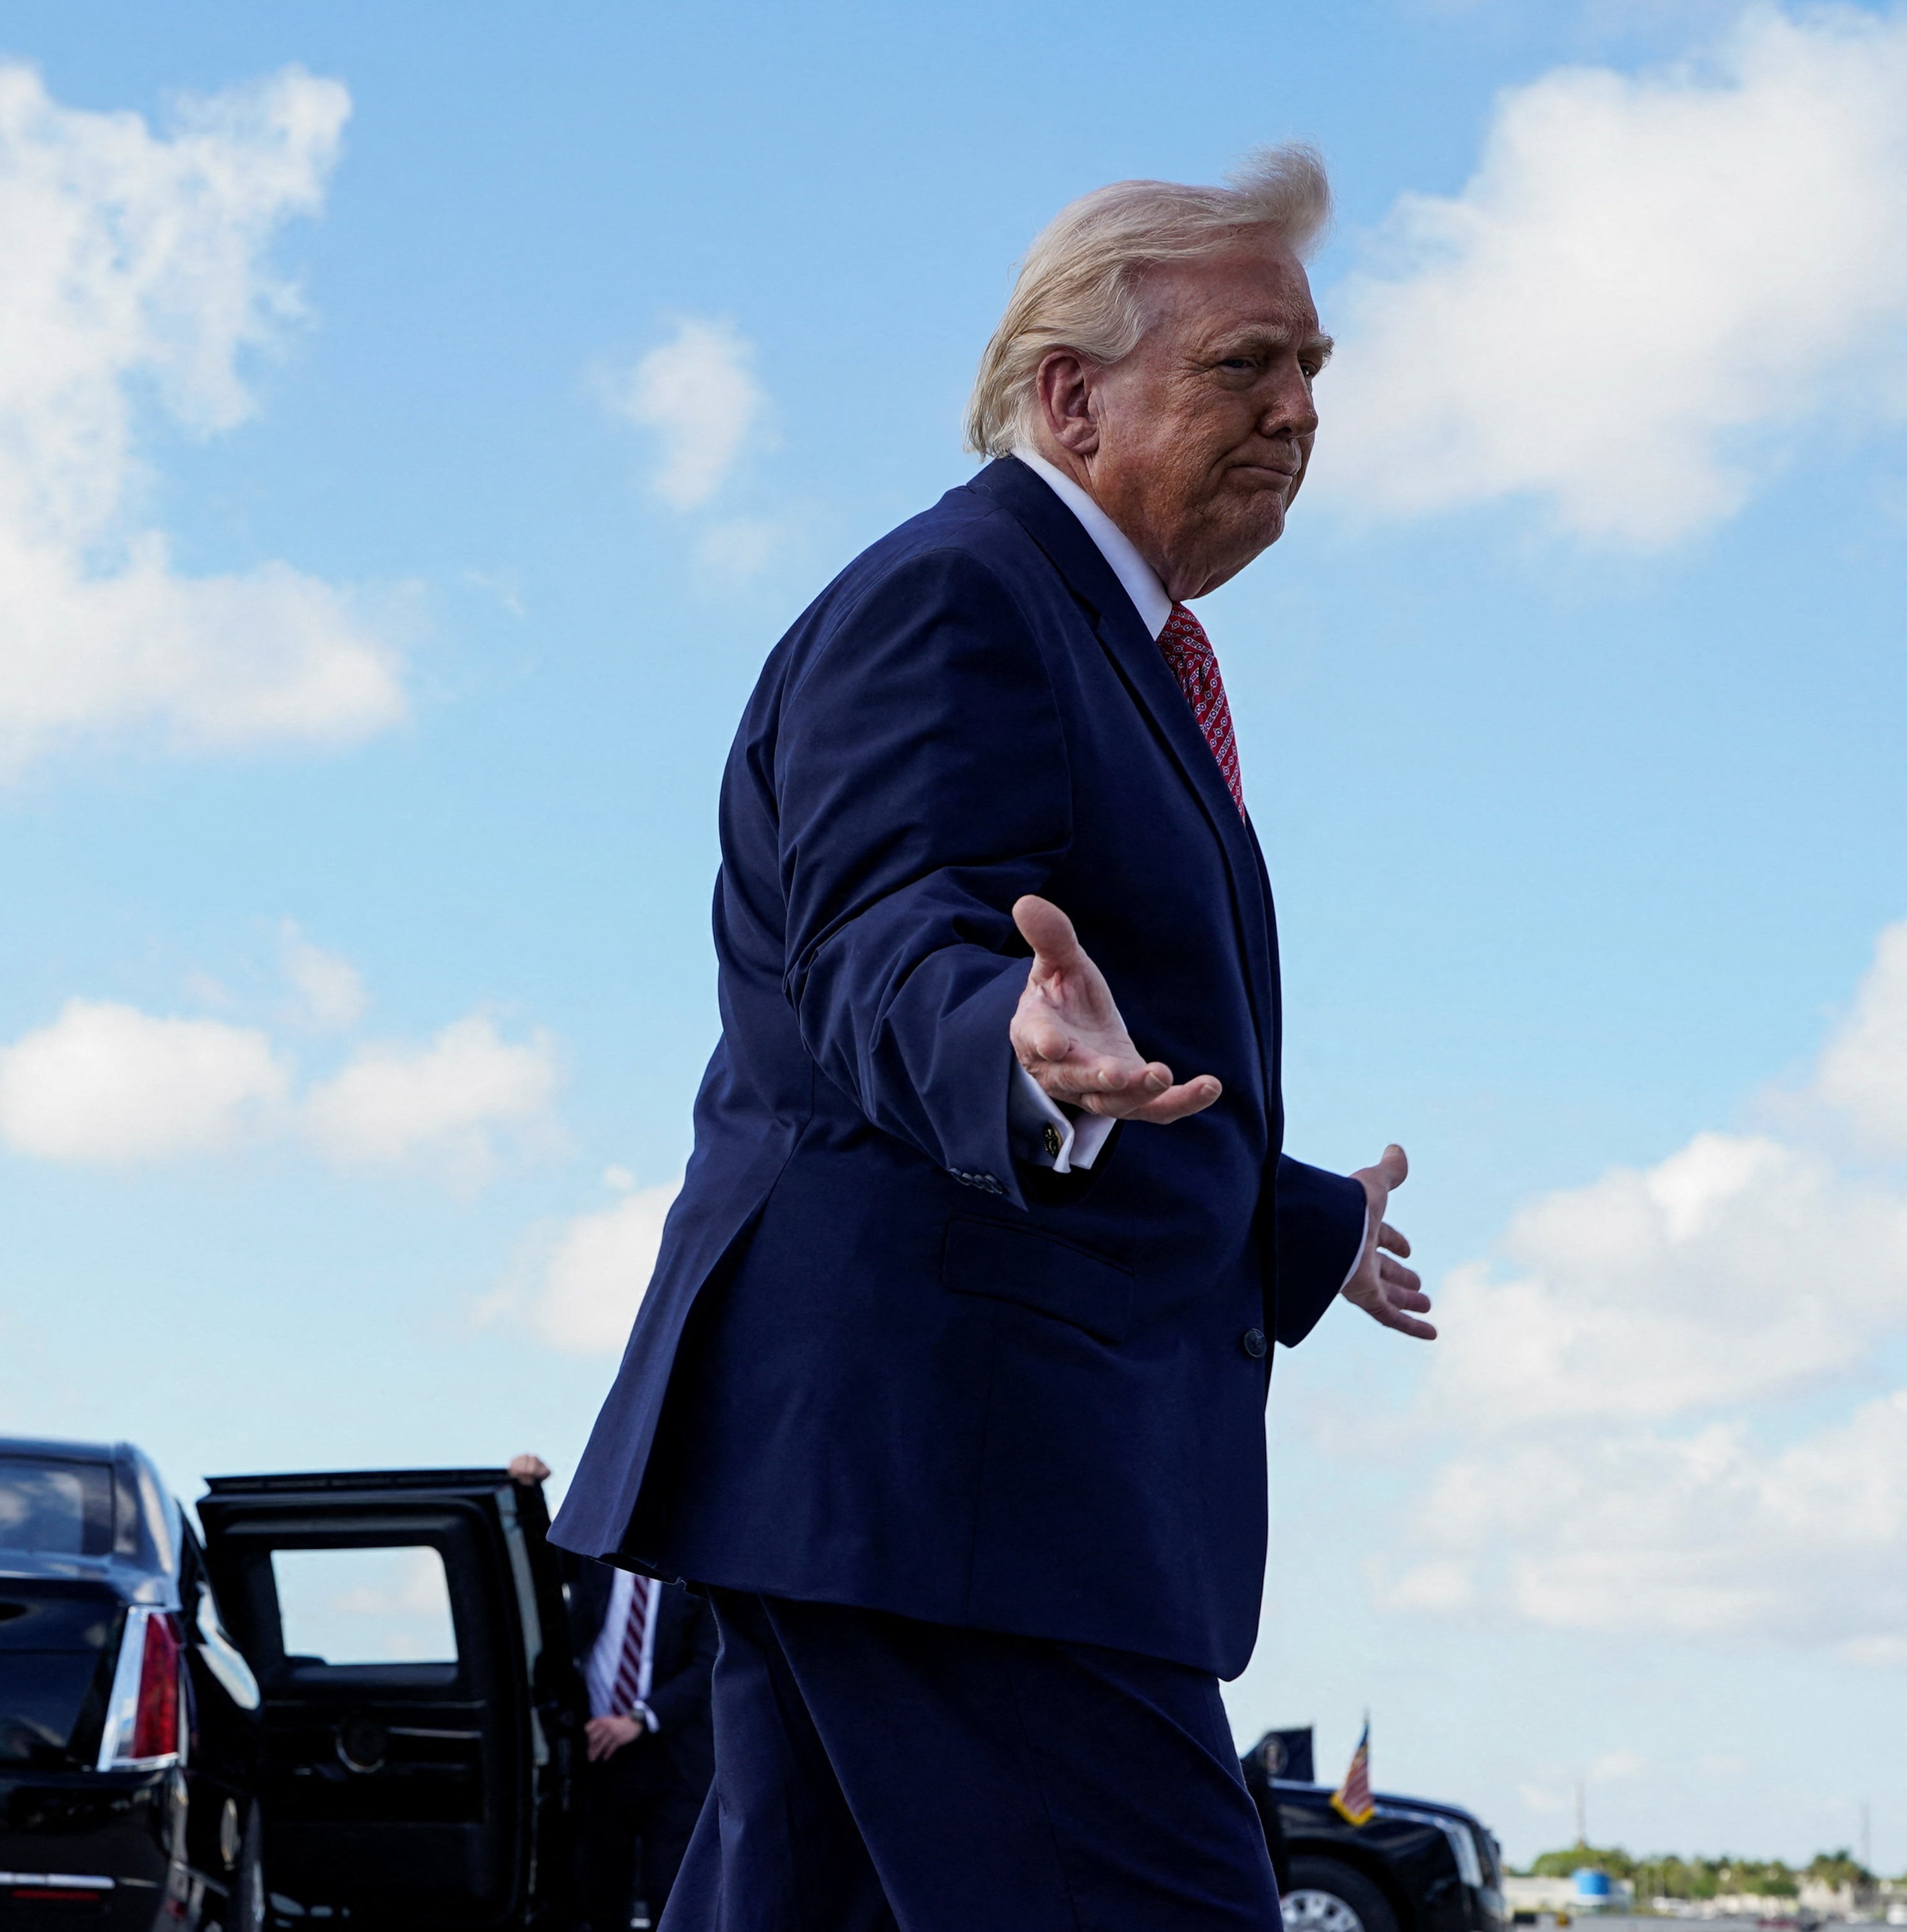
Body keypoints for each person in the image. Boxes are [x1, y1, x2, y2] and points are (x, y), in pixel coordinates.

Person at [548, 146, 1436, 1927]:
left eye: (1314, 371)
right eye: (1244, 365)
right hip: (961, 1474)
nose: (1297, 409)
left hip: (875, 1470)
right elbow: (892, 934)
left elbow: (1062, 1050)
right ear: (1069, 393)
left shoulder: (1100, 632)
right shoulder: (961, 596)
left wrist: (1287, 1216)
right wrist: (1008, 1056)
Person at [515, 1454, 714, 1932]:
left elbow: (708, 1663)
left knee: (675, 1899)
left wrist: (638, 1720)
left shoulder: (699, 1565)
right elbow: (537, 1559)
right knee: (596, 1894)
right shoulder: (593, 1553)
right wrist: (528, 1492)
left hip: (674, 1759)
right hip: (594, 1753)